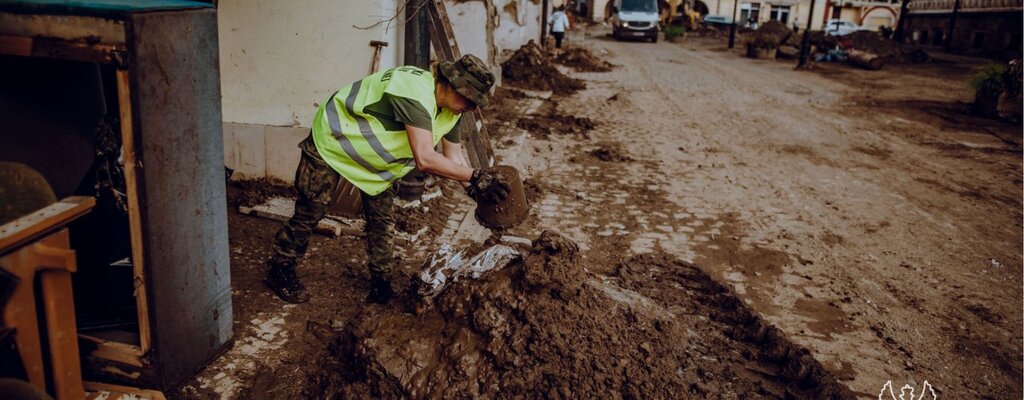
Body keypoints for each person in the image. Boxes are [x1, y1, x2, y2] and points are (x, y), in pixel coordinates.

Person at [265, 54, 510, 305]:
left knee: (382, 221)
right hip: (335, 141)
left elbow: (455, 159)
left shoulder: (452, 111)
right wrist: (476, 176)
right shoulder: (413, 92)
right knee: (311, 211)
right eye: (469, 100)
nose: (471, 108)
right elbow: (425, 158)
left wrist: (475, 189)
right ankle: (281, 268)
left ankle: (381, 284)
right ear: (451, 84)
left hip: (376, 164)